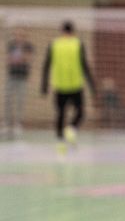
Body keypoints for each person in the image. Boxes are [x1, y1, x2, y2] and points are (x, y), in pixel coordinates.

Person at [41, 20, 95, 149]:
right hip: (76, 85)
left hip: (60, 85)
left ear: (61, 31)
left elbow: (46, 65)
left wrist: (44, 85)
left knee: (60, 114)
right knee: (80, 112)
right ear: (73, 31)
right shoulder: (78, 44)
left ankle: (60, 143)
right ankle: (71, 128)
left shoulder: (54, 44)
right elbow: (84, 65)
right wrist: (92, 84)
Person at [4, 29, 34, 139]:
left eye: (21, 35)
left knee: (20, 101)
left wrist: (21, 56)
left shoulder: (28, 46)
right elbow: (8, 59)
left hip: (22, 77)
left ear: (24, 36)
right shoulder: (11, 45)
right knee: (8, 99)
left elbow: (28, 59)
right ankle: (7, 123)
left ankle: (18, 124)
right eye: (17, 35)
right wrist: (13, 59)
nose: (18, 37)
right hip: (11, 76)